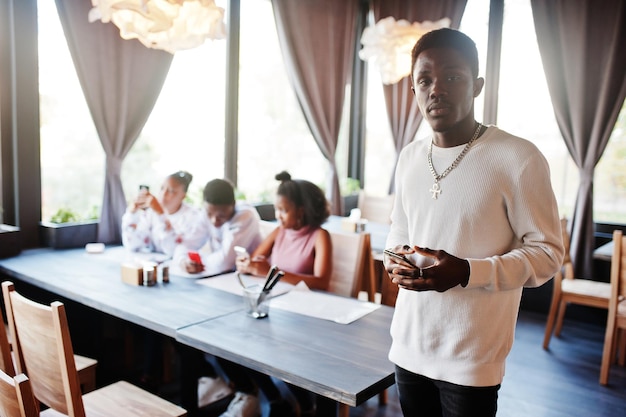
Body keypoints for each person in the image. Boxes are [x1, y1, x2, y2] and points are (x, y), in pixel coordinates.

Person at [383, 28, 564, 417]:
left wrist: (467, 272)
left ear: (477, 85)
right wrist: (393, 260)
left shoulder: (517, 157)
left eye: (452, 77)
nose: (436, 89)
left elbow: (548, 254)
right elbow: (399, 232)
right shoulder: (410, 158)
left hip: (472, 357)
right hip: (408, 344)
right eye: (424, 80)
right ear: (414, 90)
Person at [222, 171, 332, 417]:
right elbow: (257, 260)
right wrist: (248, 264)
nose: (278, 216)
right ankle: (276, 397)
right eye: (277, 209)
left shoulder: (319, 236)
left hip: (308, 317)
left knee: (269, 344)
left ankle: (303, 401)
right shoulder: (278, 232)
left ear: (301, 211)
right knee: (239, 340)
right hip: (280, 311)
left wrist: (271, 270)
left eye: (283, 210)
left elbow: (323, 282)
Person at [173, 178, 263, 276]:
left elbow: (225, 261)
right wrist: (183, 261)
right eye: (209, 213)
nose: (214, 221)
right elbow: (186, 244)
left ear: (233, 205)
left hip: (250, 276)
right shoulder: (205, 213)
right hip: (222, 276)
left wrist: (200, 262)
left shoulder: (246, 215)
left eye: (221, 216)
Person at [122, 170, 201, 256]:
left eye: (171, 191)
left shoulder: (192, 216)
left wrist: (160, 214)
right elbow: (132, 245)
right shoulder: (150, 213)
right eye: (162, 188)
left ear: (183, 196)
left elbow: (174, 251)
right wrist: (132, 213)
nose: (163, 194)